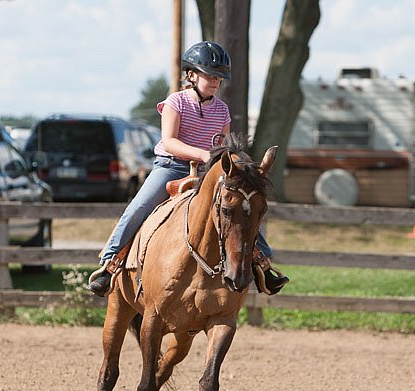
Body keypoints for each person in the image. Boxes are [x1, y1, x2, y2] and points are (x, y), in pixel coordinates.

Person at [87, 41, 289, 297]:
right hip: (171, 167)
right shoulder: (175, 102)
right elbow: (169, 141)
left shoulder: (222, 110)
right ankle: (110, 262)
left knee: (241, 209)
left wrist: (242, 166)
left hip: (209, 172)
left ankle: (263, 266)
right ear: (191, 75)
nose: (216, 81)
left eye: (219, 77)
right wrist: (203, 154)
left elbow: (225, 146)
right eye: (210, 75)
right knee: (139, 206)